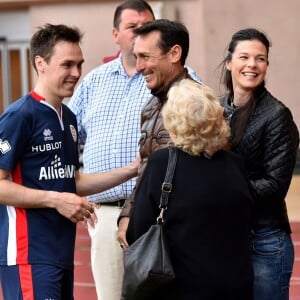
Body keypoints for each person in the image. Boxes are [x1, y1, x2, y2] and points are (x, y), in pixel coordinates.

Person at [68, 2, 201, 299]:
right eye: (133, 27)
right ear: (116, 34)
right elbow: (67, 138)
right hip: (105, 217)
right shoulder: (93, 81)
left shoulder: (178, 81)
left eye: (147, 26)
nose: (141, 32)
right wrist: (68, 188)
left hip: (161, 218)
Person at [0, 23, 140, 300]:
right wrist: (57, 200)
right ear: (41, 63)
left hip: (60, 251)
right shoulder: (19, 116)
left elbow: (71, 181)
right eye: (67, 65)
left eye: (79, 64)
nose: (76, 73)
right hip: (28, 253)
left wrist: (131, 170)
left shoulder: (70, 118)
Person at [126, 78, 254, 300]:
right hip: (234, 287)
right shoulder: (235, 164)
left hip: (180, 288)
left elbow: (137, 232)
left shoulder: (162, 163)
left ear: (174, 122)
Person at [219, 28, 299, 300]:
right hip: (227, 238)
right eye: (244, 57)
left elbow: (275, 186)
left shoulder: (277, 115)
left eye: (260, 58)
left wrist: (221, 190)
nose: (252, 64)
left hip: (265, 240)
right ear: (229, 62)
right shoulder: (217, 109)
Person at [117, 19, 202, 248]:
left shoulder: (199, 106)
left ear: (174, 53)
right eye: (137, 57)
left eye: (146, 57)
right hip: (150, 232)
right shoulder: (150, 106)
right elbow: (145, 167)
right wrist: (127, 214)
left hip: (183, 238)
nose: (139, 67)